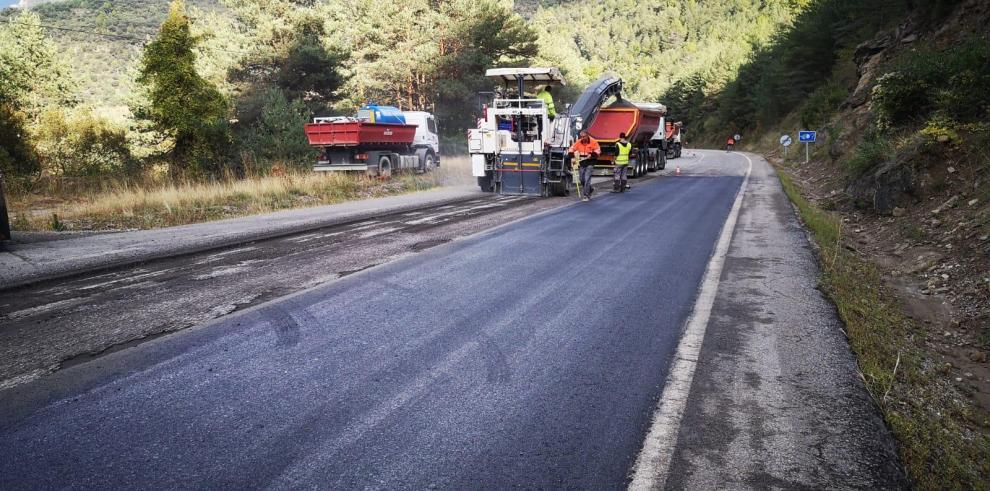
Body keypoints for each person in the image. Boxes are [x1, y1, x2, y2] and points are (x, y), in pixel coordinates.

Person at [569, 130, 600, 201]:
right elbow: (571, 149)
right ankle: (590, 189)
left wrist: (592, 155)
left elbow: (598, 150)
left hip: (590, 162)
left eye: (584, 136)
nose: (582, 138)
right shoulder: (579, 142)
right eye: (581, 137)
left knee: (587, 179)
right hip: (582, 163)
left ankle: (586, 195)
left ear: (587, 135)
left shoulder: (593, 142)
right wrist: (572, 157)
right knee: (581, 179)